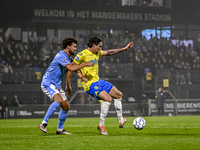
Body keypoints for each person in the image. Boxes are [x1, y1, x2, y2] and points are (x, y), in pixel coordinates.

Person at [70, 37, 134, 135]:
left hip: (98, 81)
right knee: (108, 99)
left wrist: (123, 49)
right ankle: (101, 125)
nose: (100, 48)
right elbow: (72, 66)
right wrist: (81, 76)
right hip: (90, 84)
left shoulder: (97, 53)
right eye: (99, 46)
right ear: (94, 45)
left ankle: (121, 120)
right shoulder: (82, 54)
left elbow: (109, 52)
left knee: (118, 95)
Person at [38, 37, 93, 135]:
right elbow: (71, 68)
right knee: (58, 100)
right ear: (68, 46)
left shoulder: (68, 58)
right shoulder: (61, 55)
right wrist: (85, 64)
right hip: (48, 83)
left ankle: (59, 129)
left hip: (57, 85)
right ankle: (43, 123)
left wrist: (79, 78)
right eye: (74, 46)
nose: (75, 49)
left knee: (66, 107)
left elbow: (73, 70)